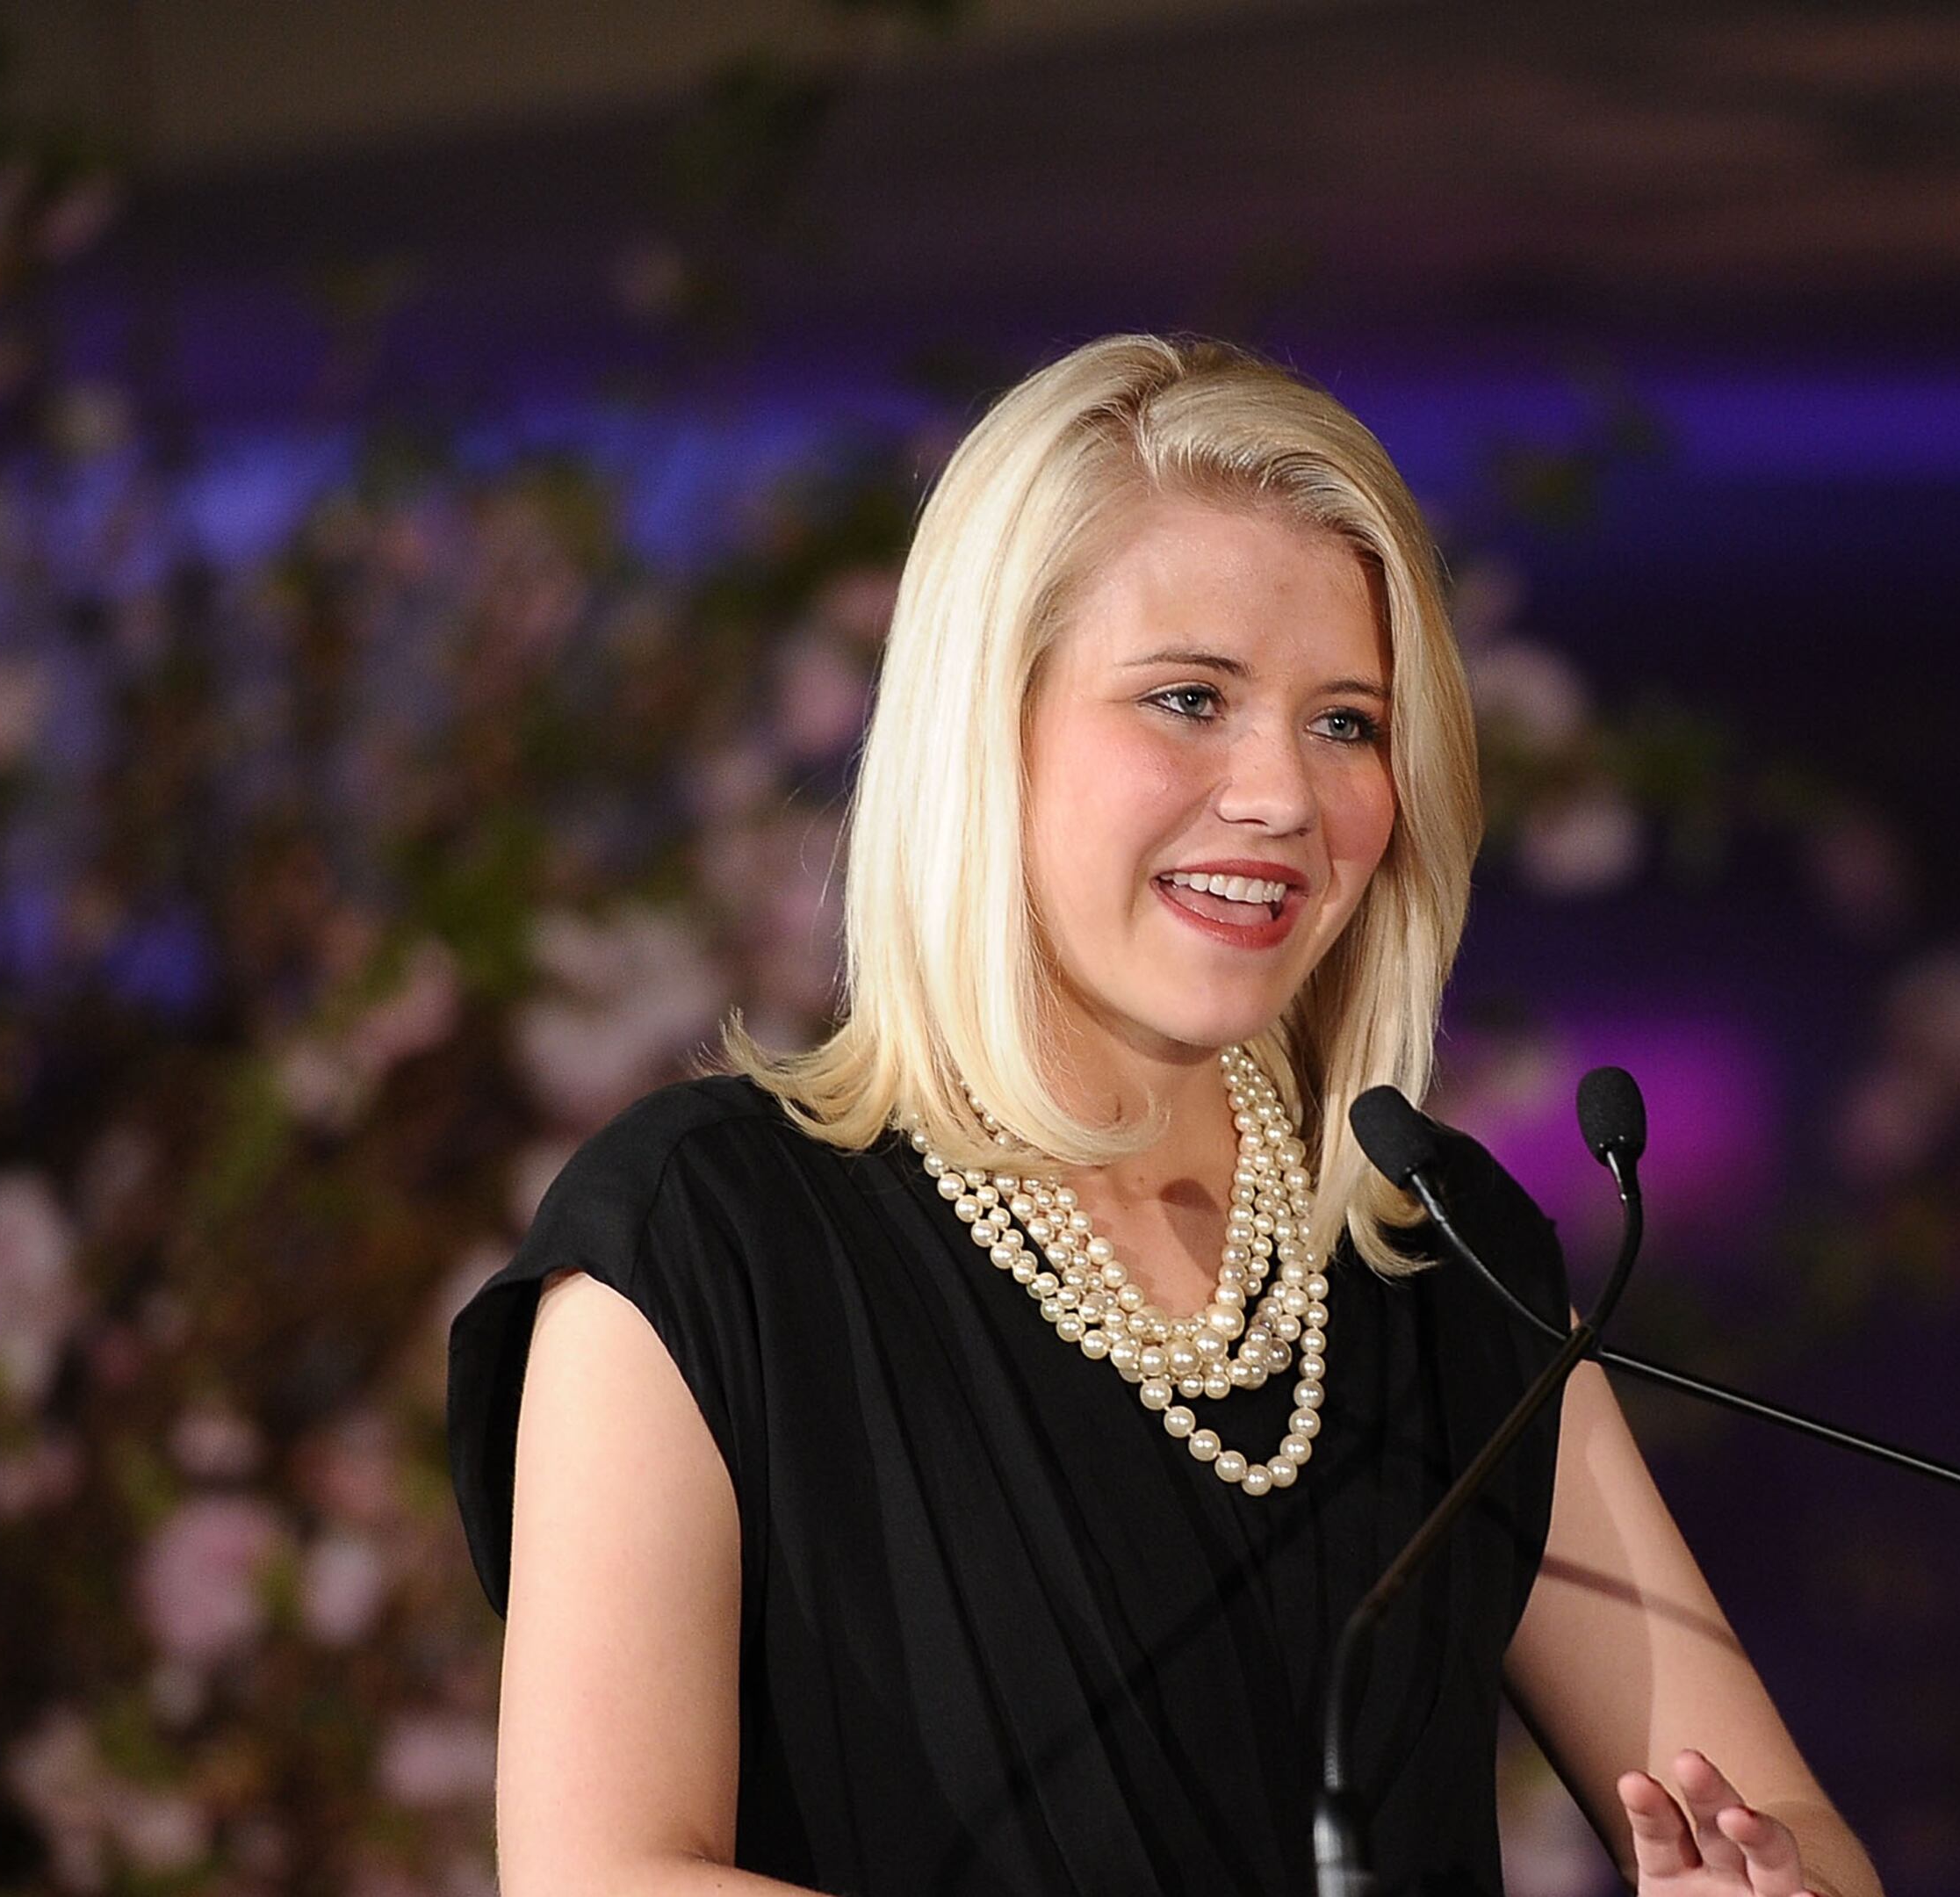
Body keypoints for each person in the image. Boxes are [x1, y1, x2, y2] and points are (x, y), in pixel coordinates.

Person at [446, 334, 1883, 1897]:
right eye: (1190, 698)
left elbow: (1781, 1828)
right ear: (988, 730)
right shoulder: (702, 1240)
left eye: (1346, 721)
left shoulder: (1439, 1257)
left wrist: (1768, 1883)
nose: (1282, 792)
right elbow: (601, 1876)